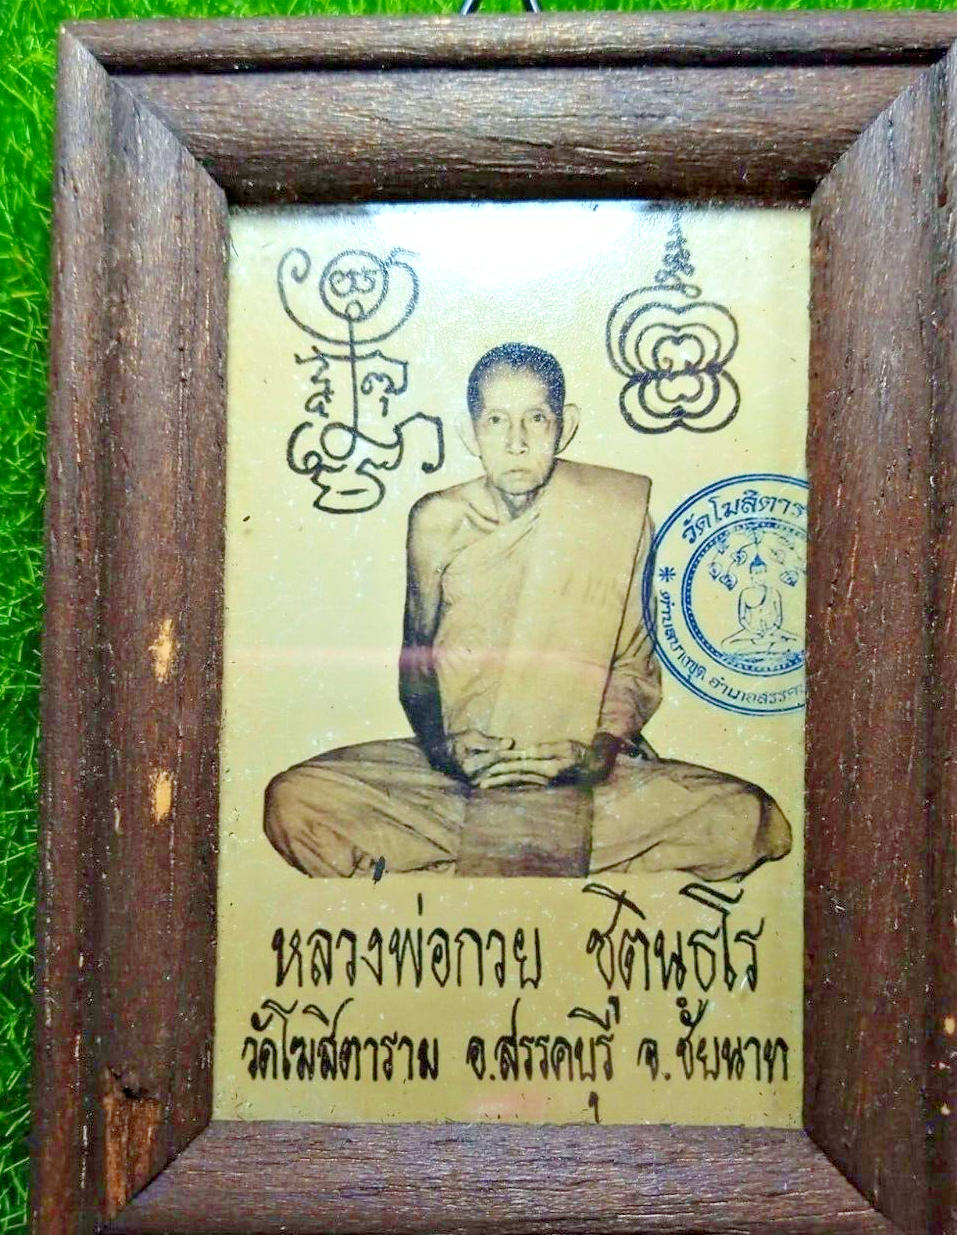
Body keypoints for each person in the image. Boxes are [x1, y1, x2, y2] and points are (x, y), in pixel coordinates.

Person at [264, 343, 792, 879]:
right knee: (296, 800)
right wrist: (446, 752)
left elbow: (634, 666)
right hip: (464, 777)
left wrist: (593, 756)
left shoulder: (613, 514)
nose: (516, 442)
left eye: (536, 419)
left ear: (566, 426)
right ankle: (545, 859)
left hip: (581, 776)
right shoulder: (437, 521)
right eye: (496, 420)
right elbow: (416, 663)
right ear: (470, 432)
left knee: (744, 817)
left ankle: (469, 860)